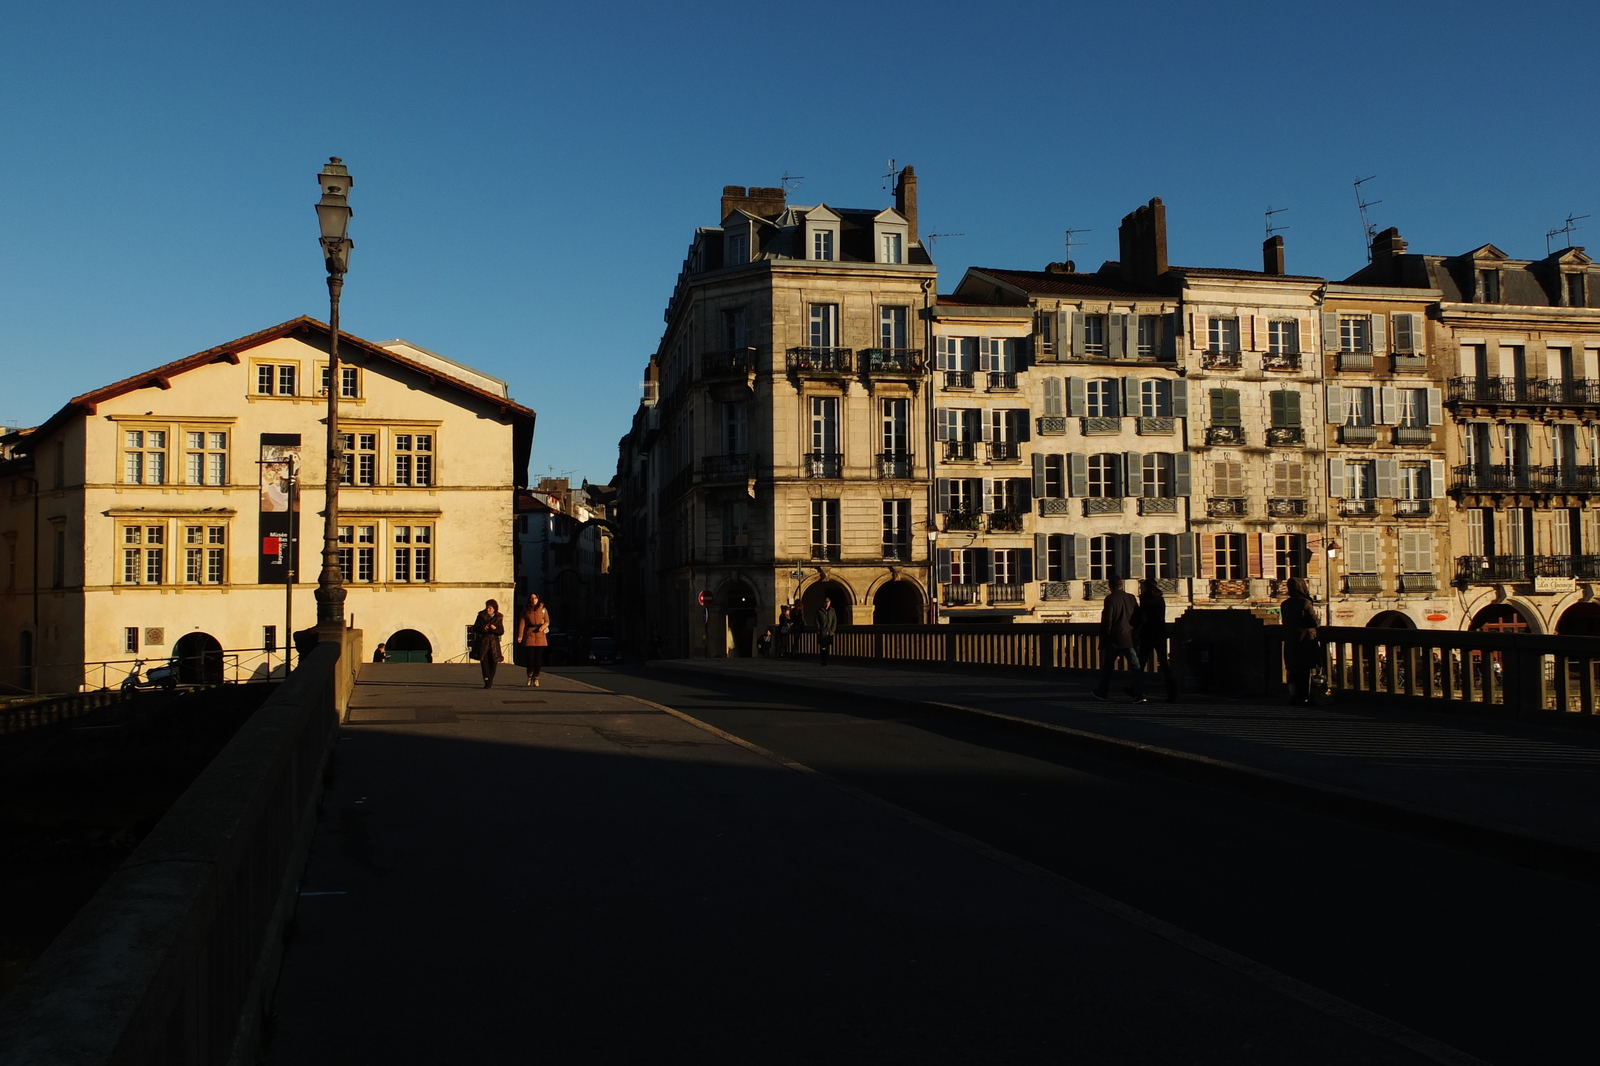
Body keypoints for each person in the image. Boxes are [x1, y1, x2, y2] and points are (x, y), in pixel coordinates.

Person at [1092, 575, 1146, 703]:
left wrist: (1104, 638)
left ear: (1110, 586)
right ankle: (1140, 694)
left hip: (1114, 638)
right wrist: (1135, 630)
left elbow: (1107, 621)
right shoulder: (1131, 598)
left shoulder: (1110, 599)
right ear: (1122, 585)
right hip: (1129, 637)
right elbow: (1139, 617)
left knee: (1108, 667)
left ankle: (1103, 692)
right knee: (1136, 667)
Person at [1281, 577, 1321, 705]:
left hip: (1291, 640)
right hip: (1305, 641)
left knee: (1292, 670)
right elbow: (1314, 622)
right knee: (1305, 670)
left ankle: (1293, 695)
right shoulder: (1305, 603)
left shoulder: (1285, 604)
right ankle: (1305, 696)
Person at [1138, 579, 1178, 702]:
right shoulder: (1160, 598)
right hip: (1160, 633)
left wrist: (1138, 629)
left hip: (1148, 634)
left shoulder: (1145, 598)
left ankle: (1137, 690)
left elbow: (1143, 617)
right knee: (1165, 665)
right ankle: (1172, 693)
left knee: (1140, 664)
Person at [515, 593, 551, 687]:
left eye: (535, 598)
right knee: (530, 658)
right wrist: (520, 636)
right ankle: (529, 675)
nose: (533, 600)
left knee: (538, 659)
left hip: (540, 635)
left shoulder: (543, 609)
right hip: (529, 634)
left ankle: (536, 677)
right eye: (531, 598)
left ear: (538, 599)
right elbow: (522, 624)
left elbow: (547, 621)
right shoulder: (526, 610)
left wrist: (542, 627)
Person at [471, 599, 505, 689]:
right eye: (487, 607)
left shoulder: (498, 617)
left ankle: (490, 678)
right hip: (484, 642)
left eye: (490, 608)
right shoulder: (481, 616)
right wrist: (483, 628)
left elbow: (501, 631)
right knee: (484, 661)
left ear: (494, 608)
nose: (488, 610)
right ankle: (487, 680)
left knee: (494, 662)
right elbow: (475, 628)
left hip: (494, 642)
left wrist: (495, 629)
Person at [815, 597, 838, 667]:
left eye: (828, 602)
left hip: (829, 632)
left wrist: (832, 630)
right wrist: (819, 629)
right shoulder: (819, 611)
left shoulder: (832, 611)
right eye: (826, 602)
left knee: (827, 647)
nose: (827, 604)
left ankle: (825, 660)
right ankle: (823, 660)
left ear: (830, 603)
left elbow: (834, 621)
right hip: (822, 631)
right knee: (822, 647)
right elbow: (816, 621)